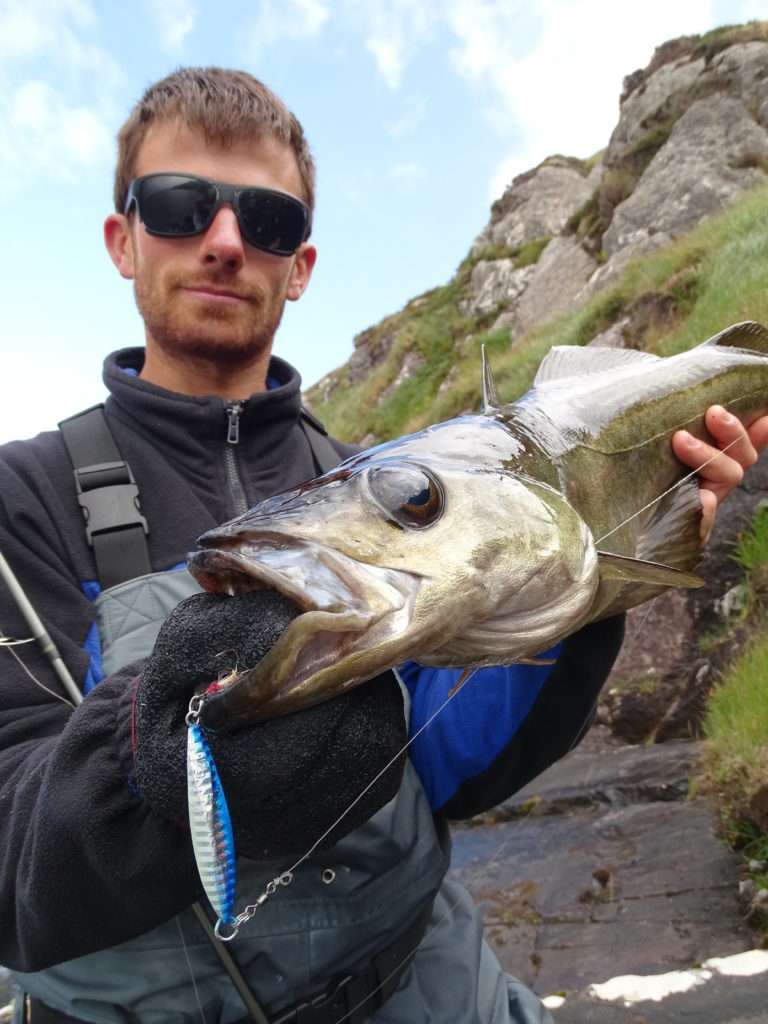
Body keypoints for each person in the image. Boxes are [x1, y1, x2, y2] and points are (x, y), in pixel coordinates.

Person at [0, 67, 765, 1024]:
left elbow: (449, 770)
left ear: (302, 264)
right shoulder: (17, 500)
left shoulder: (376, 465)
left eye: (268, 221)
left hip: (438, 983)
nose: (227, 241)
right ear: (124, 238)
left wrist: (593, 585)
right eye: (180, 205)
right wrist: (151, 749)